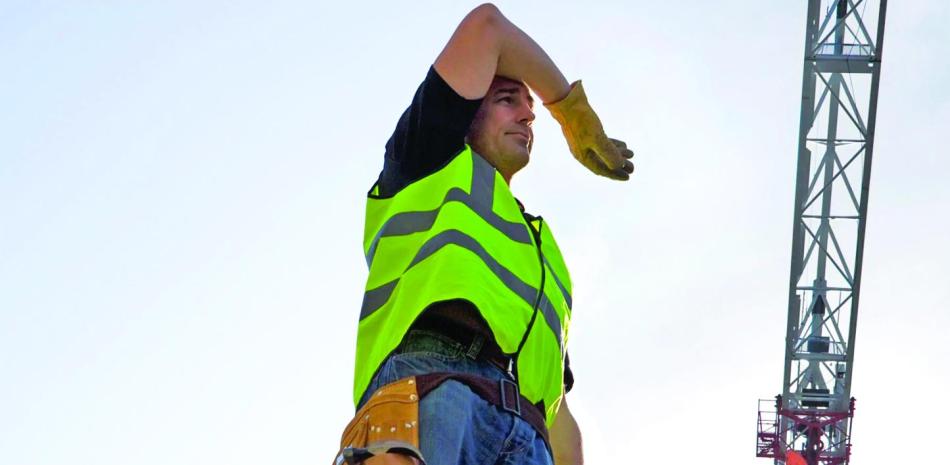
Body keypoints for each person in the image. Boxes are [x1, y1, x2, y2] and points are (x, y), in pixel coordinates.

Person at [334, 4, 634, 465]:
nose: (528, 115)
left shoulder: (544, 253)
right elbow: (487, 27)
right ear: (465, 114)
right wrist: (569, 110)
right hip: (434, 390)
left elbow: (560, 413)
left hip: (530, 436)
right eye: (508, 99)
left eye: (531, 107)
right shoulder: (425, 162)